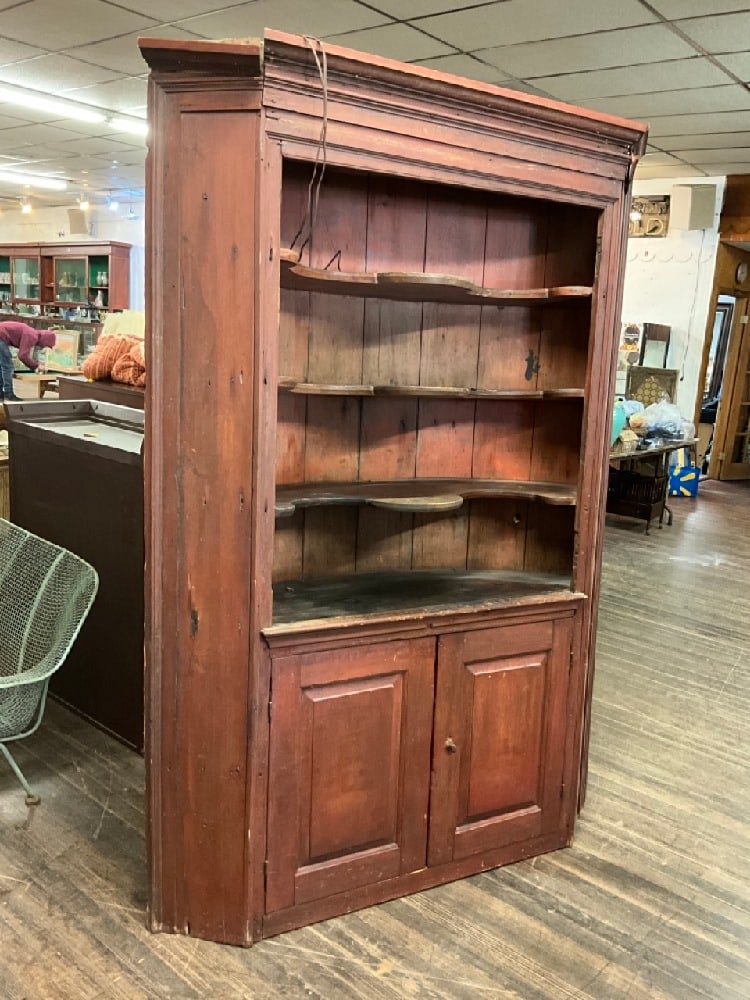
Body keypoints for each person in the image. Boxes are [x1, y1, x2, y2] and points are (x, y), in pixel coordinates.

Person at [0, 321, 57, 401]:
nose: (43, 347)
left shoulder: (32, 333)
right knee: (8, 367)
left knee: (2, 366)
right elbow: (22, 356)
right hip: (1, 336)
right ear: (45, 340)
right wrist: (37, 366)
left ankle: (1, 393)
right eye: (46, 345)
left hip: (1, 335)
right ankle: (9, 394)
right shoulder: (32, 336)